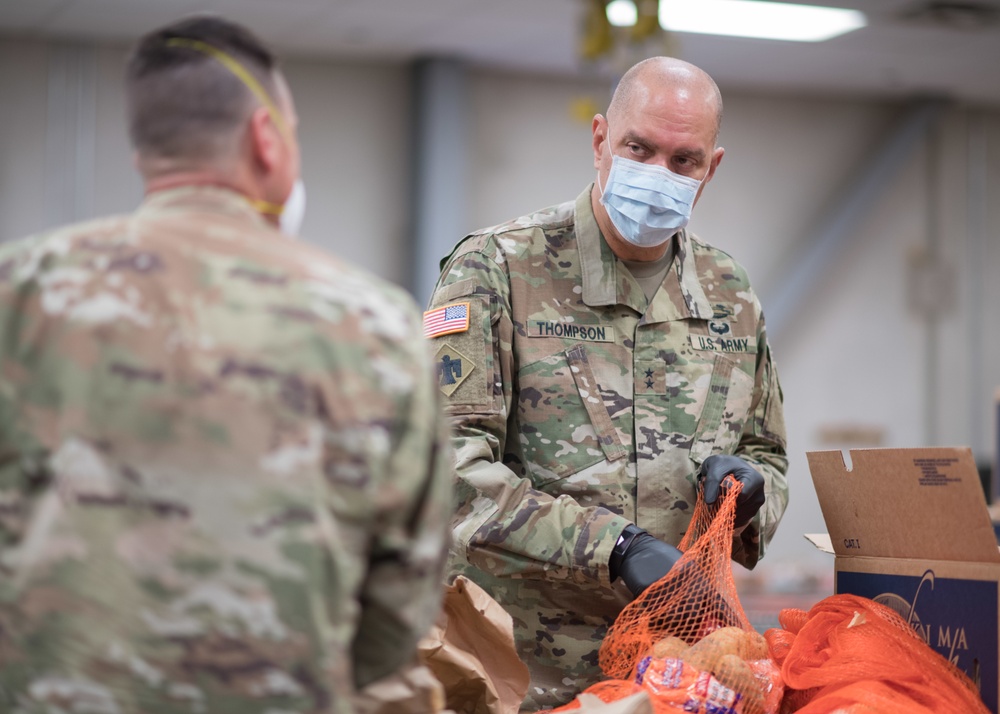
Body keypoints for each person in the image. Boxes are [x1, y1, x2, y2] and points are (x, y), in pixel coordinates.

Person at [0, 15, 452, 713]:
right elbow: (400, 600)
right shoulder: (374, 324)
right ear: (266, 140)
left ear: (145, 150)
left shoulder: (19, 290)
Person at [425, 56, 788, 710]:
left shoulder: (729, 292)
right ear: (599, 141)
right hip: (516, 675)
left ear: (712, 168)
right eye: (638, 148)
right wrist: (614, 548)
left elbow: (769, 455)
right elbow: (447, 475)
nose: (659, 175)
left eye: (685, 161)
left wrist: (753, 494)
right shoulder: (497, 268)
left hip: (671, 678)